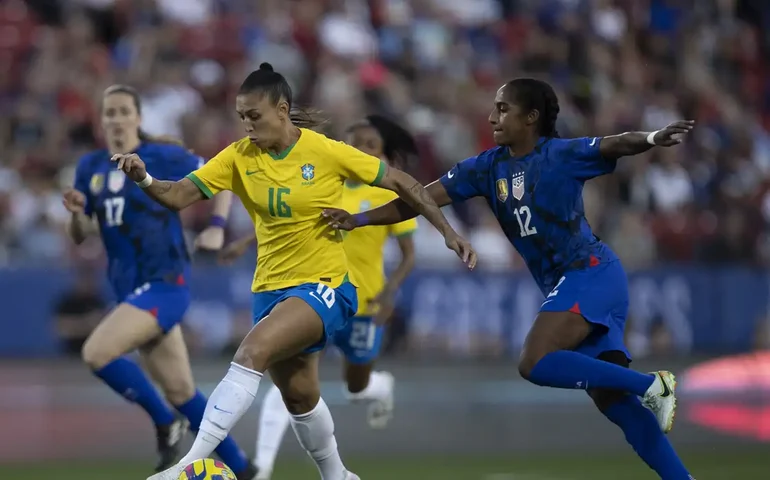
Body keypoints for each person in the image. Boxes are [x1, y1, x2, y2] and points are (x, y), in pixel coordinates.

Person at [111, 63, 474, 480]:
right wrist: (144, 178)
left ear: (282, 110)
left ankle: (186, 465)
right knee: (300, 398)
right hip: (269, 290)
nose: (246, 125)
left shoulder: (326, 151)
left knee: (250, 354)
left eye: (254, 116)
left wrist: (447, 231)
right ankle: (339, 475)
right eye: (241, 116)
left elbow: (402, 182)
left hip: (326, 286)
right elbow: (177, 196)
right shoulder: (237, 158)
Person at [324, 78, 697, 480]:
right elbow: (418, 198)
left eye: (503, 109)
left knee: (534, 361)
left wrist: (654, 137)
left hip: (591, 274)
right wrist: (359, 219)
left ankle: (652, 384)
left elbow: (615, 143)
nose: (491, 116)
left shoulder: (560, 154)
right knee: (616, 404)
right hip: (574, 281)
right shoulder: (486, 167)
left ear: (531, 117)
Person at [63, 84, 257, 479]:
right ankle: (246, 470)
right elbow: (82, 233)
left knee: (97, 352)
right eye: (109, 112)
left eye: (122, 111)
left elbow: (221, 176)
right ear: (102, 121)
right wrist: (77, 214)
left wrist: (217, 227)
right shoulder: (90, 168)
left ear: (138, 117)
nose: (115, 119)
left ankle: (165, 424)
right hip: (128, 289)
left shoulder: (162, 156)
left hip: (165, 282)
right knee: (183, 392)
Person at [220, 115, 418, 480]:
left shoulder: (385, 193)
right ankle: (262, 467)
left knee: (355, 387)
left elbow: (408, 253)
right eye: (354, 143)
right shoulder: (327, 178)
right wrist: (245, 242)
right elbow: (287, 219)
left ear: (382, 154)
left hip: (363, 305)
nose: (360, 150)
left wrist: (391, 293)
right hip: (314, 294)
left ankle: (379, 386)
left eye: (369, 146)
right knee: (291, 382)